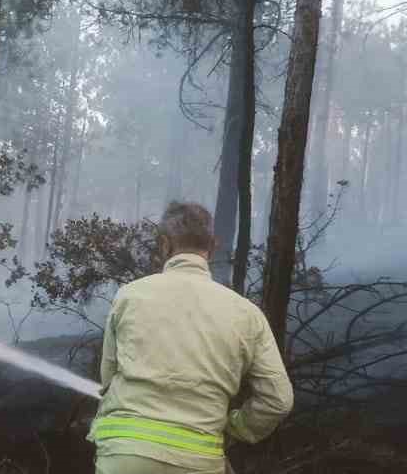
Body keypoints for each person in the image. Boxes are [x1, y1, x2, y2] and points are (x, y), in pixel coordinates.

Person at [90, 202, 294, 474]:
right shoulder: (246, 313)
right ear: (213, 245)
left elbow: (108, 380)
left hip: (124, 456)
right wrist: (236, 427)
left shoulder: (130, 295)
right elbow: (277, 400)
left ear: (164, 244)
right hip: (196, 461)